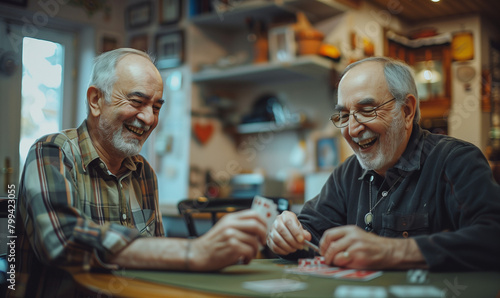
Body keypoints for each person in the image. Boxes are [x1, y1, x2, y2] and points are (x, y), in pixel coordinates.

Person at [8, 48, 267, 297]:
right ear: (96, 100)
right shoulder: (52, 151)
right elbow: (62, 240)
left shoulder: (143, 171)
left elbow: (153, 261)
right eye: (137, 101)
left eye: (156, 107)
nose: (149, 118)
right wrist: (193, 252)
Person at [267, 56, 500, 271]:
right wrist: (285, 235)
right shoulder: (348, 173)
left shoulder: (454, 160)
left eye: (367, 110)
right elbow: (310, 230)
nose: (353, 129)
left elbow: (492, 236)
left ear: (407, 111)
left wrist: (390, 251)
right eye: (345, 116)